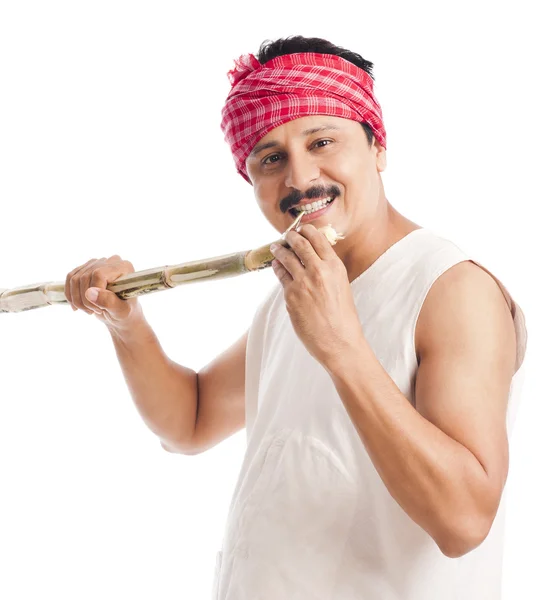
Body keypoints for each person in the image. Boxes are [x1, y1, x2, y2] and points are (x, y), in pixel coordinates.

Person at [64, 36, 528, 600]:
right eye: (271, 158)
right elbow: (189, 420)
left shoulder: (451, 288)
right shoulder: (298, 294)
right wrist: (125, 322)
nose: (301, 179)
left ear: (378, 147)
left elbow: (463, 521)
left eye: (323, 140)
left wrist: (340, 346)